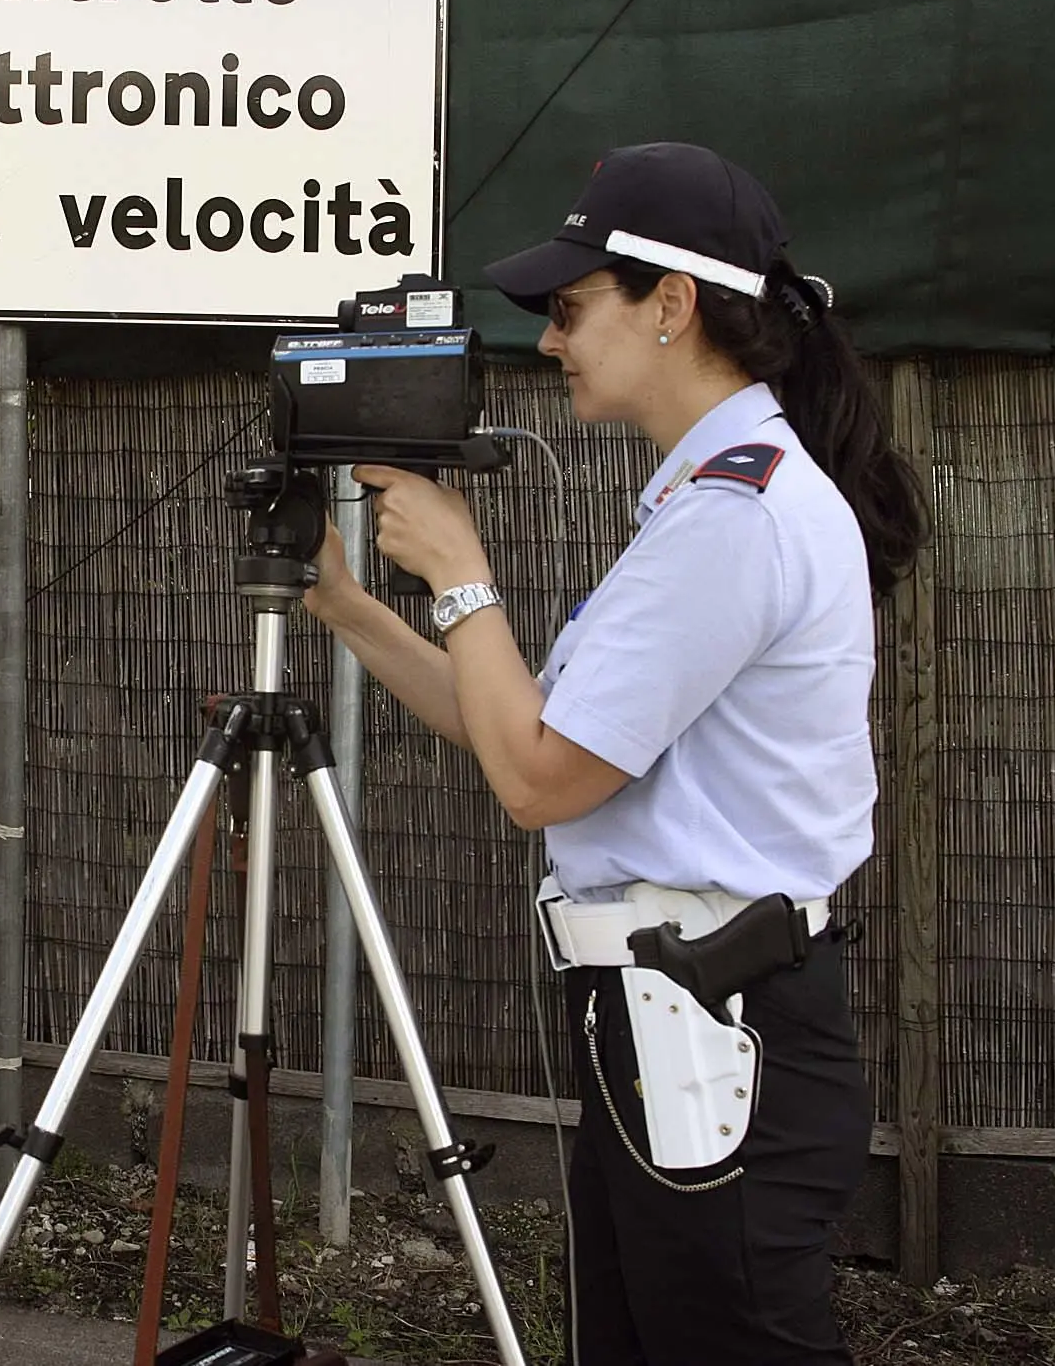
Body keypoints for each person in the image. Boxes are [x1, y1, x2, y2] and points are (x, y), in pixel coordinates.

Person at [303, 143, 928, 1364]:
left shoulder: (733, 518)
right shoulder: (706, 503)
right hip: (674, 1016)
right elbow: (527, 730)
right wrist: (349, 608)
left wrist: (461, 573)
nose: (548, 340)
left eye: (572, 309)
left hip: (712, 1020)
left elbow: (537, 781)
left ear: (672, 306)